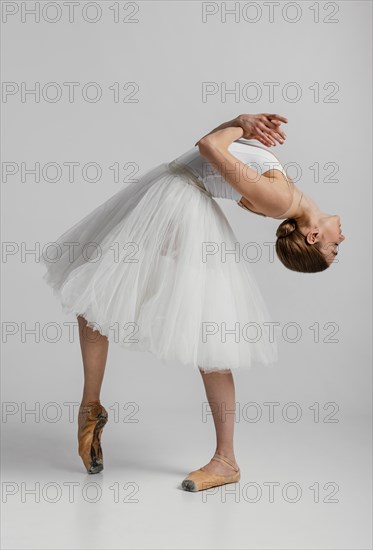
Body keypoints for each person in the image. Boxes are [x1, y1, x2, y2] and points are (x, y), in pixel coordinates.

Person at [39, 113, 345, 492]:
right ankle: (92, 408)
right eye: (337, 247)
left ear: (313, 236)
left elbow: (208, 146)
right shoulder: (289, 195)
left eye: (333, 248)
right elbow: (213, 149)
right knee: (96, 294)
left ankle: (224, 460)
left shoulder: (281, 199)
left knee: (188, 327)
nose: (341, 241)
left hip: (178, 209)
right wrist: (241, 120)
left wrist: (241, 126)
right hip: (171, 196)